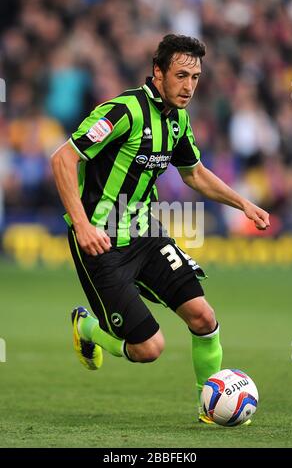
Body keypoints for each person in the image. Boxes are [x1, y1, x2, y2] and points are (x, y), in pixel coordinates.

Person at [51, 34, 270, 424]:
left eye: (196, 77)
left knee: (204, 318)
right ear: (158, 72)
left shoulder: (178, 120)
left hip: (148, 236)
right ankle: (87, 327)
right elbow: (63, 158)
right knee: (149, 348)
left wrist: (244, 204)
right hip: (101, 244)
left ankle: (209, 409)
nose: (189, 86)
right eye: (181, 75)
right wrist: (82, 226)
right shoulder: (123, 111)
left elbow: (195, 174)